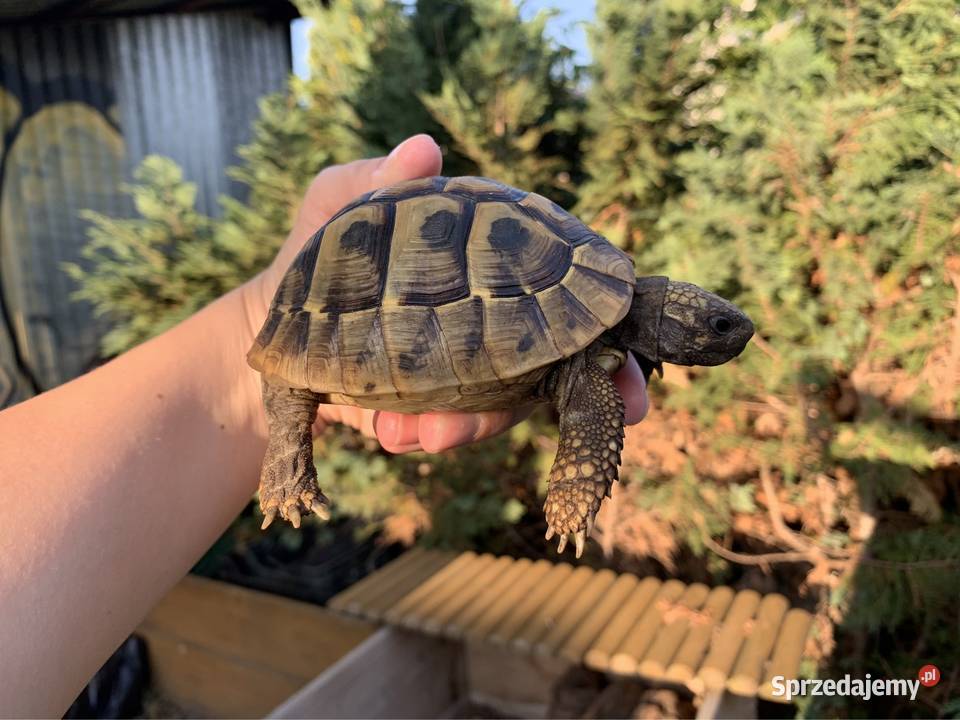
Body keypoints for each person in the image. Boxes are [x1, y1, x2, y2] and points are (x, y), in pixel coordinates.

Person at [0, 134, 648, 716]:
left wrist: (255, 314)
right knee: (297, 388)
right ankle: (287, 453)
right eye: (717, 327)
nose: (725, 338)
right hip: (363, 284)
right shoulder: (594, 327)